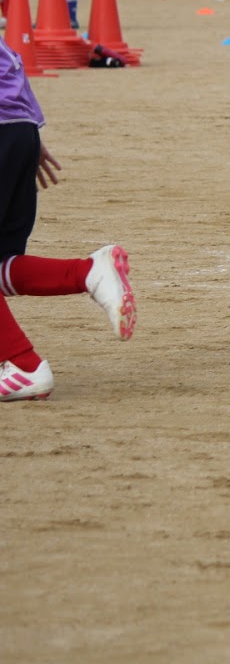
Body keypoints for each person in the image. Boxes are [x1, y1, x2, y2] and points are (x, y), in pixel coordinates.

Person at [0, 33, 137, 402]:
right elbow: (10, 57)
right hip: (18, 126)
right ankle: (89, 272)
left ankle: (23, 365)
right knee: (2, 265)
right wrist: (29, 135)